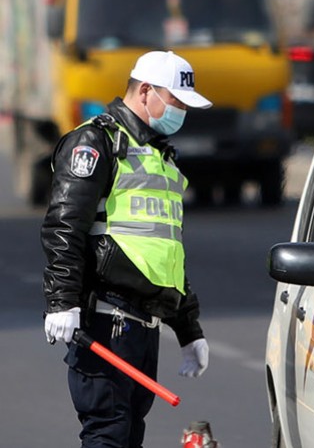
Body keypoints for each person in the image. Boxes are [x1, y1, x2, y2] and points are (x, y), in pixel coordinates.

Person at [41, 50, 212, 448]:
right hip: (106, 323)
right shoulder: (96, 142)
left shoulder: (159, 157)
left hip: (142, 329)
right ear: (146, 91)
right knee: (108, 435)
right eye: (176, 101)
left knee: (129, 435)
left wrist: (189, 329)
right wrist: (61, 300)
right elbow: (64, 225)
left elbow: (165, 255)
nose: (182, 111)